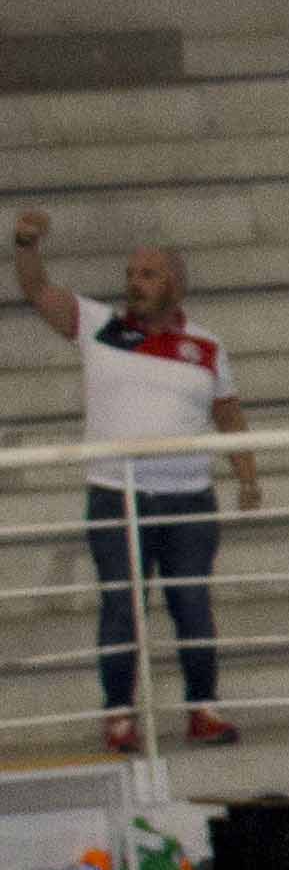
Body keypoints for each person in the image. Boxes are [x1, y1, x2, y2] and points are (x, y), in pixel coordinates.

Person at [14, 207, 258, 754]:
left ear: (174, 283)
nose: (134, 284)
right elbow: (39, 292)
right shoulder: (100, 325)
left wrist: (248, 476)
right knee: (122, 605)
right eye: (130, 276)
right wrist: (26, 245)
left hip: (189, 499)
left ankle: (203, 709)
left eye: (147, 275)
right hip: (115, 494)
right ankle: (119, 716)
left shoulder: (207, 346)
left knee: (192, 604)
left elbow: (228, 413)